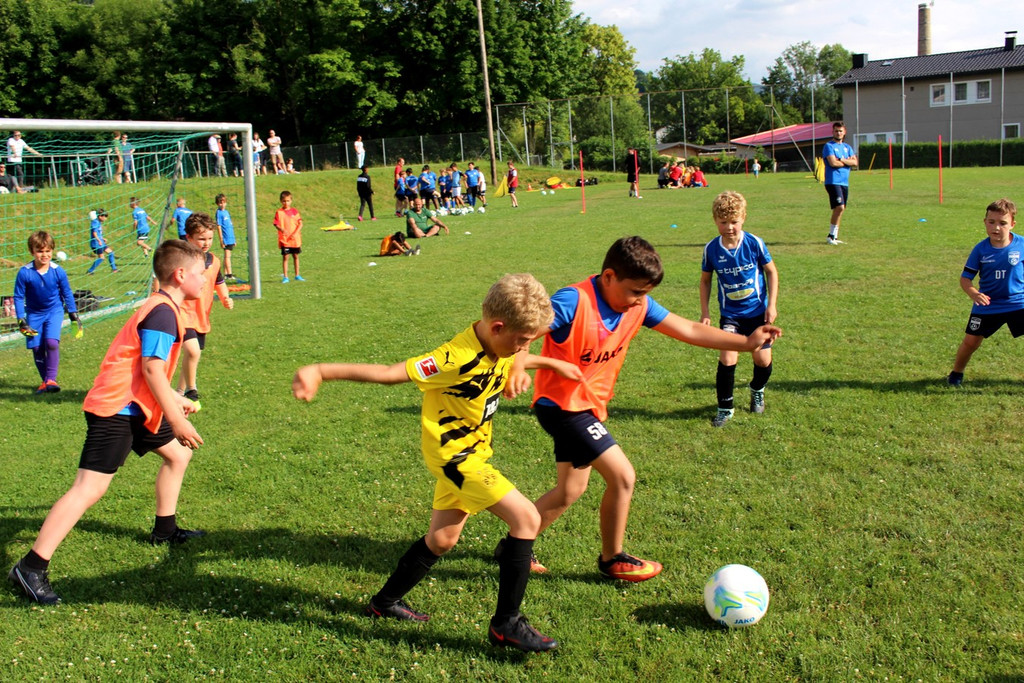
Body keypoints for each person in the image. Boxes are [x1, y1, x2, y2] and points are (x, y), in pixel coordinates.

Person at [292, 273, 578, 652]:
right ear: (498, 327)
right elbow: (389, 374)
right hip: (455, 458)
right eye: (523, 341)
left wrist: (544, 365)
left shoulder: (500, 345)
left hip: (473, 452)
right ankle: (506, 624)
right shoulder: (453, 358)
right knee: (525, 518)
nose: (524, 348)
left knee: (442, 540)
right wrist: (320, 371)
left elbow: (514, 356)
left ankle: (384, 602)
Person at [510, 236, 782, 580]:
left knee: (570, 490)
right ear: (609, 276)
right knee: (623, 476)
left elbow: (689, 329)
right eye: (635, 291)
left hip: (588, 407)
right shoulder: (574, 301)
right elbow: (523, 331)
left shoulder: (638, 305)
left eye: (645, 293)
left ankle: (514, 547)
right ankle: (612, 559)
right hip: (560, 406)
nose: (640, 300)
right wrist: (518, 363)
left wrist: (745, 343)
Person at [8, 240, 207, 606]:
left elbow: (146, 370)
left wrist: (174, 399)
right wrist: (176, 418)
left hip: (138, 407)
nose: (205, 279)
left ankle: (165, 531)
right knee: (89, 488)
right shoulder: (163, 313)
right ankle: (31, 567)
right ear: (181, 275)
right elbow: (151, 369)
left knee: (178, 455)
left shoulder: (164, 307)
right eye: (200, 273)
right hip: (117, 409)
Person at [699, 191, 779, 427]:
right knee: (727, 358)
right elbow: (705, 281)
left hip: (757, 313)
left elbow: (771, 272)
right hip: (730, 316)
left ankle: (757, 389)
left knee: (763, 361)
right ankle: (725, 408)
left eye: (734, 221)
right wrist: (705, 312)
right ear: (715, 221)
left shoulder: (754, 243)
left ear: (743, 218)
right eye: (723, 222)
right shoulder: (711, 249)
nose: (729, 227)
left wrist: (771, 305)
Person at [947, 198, 1022, 387]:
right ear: (985, 222)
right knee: (971, 342)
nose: (996, 228)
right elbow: (965, 278)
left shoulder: (1021, 245)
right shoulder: (980, 250)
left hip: (1018, 303)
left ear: (1012, 224)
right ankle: (956, 373)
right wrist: (974, 294)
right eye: (991, 222)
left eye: (1002, 223)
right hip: (988, 305)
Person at [13, 231, 82, 394]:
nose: (44, 255)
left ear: (52, 251)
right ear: (32, 251)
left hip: (54, 311)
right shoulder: (24, 272)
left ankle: (51, 379)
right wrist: (21, 319)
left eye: (47, 251)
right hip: (34, 314)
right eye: (40, 251)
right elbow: (18, 296)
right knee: (37, 347)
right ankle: (46, 382)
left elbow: (67, 292)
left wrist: (73, 313)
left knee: (51, 342)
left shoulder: (58, 271)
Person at [177, 213, 234, 407]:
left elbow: (219, 281)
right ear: (188, 237)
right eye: (201, 239)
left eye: (210, 238)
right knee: (192, 351)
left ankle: (179, 392)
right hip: (182, 313)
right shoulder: (180, 259)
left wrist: (225, 298)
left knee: (192, 356)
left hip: (201, 316)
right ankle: (192, 390)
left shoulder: (214, 260)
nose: (206, 243)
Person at [822, 121, 858, 245]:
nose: (838, 133)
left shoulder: (847, 147)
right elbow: (833, 163)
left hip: (844, 182)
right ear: (833, 132)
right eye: (836, 131)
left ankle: (835, 236)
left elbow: (855, 163)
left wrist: (842, 159)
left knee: (841, 209)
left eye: (840, 131)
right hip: (833, 181)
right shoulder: (829, 146)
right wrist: (847, 161)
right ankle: (831, 236)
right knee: (839, 207)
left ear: (844, 132)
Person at [275, 190, 304, 283]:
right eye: (284, 201)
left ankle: (297, 275)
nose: (286, 203)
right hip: (285, 240)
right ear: (281, 201)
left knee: (296, 256)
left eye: (288, 201)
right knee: (285, 257)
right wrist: (282, 229)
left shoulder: (294, 211)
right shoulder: (279, 212)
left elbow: (300, 224)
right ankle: (286, 277)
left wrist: (295, 233)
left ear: (291, 201)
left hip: (295, 240)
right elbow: (276, 224)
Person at [86, 208, 118, 275]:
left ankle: (114, 269)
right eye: (105, 216)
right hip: (96, 244)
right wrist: (99, 240)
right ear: (100, 216)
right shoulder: (95, 222)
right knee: (101, 258)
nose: (106, 218)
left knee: (111, 253)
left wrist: (102, 238)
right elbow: (94, 233)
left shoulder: (98, 222)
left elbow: (98, 233)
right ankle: (90, 271)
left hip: (101, 243)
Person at [214, 194, 237, 282]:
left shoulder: (226, 212)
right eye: (220, 203)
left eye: (224, 202)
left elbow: (230, 226)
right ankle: (229, 274)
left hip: (230, 237)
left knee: (227, 256)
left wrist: (233, 239)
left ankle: (225, 274)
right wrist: (221, 239)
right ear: (217, 204)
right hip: (226, 238)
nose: (222, 204)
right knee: (227, 256)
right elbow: (219, 226)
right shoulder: (219, 213)